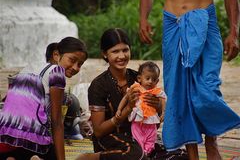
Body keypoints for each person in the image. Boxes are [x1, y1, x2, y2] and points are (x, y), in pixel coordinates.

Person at [139, 0, 240, 160]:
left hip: (205, 23)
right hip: (173, 24)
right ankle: (192, 154)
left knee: (208, 88)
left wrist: (234, 31)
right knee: (179, 92)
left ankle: (212, 142)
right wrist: (143, 19)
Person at [76, 28, 162, 160]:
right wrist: (127, 109)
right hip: (109, 139)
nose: (122, 56)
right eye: (115, 51)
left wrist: (158, 106)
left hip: (137, 136)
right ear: (105, 54)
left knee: (177, 156)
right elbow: (98, 132)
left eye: (125, 50)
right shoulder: (98, 85)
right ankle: (90, 158)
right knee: (135, 153)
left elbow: (154, 119)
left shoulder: (139, 78)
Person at [0, 36, 88, 160]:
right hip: (28, 142)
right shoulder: (57, 72)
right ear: (57, 55)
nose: (75, 67)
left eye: (80, 64)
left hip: (4, 138)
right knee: (53, 151)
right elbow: (57, 122)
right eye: (72, 60)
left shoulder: (31, 67)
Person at [116, 61, 167, 157]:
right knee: (138, 141)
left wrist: (163, 112)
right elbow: (125, 98)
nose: (150, 81)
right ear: (139, 78)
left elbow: (163, 99)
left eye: (154, 79)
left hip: (151, 123)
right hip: (137, 122)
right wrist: (119, 109)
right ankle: (141, 154)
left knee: (151, 141)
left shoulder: (156, 91)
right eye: (147, 78)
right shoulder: (135, 88)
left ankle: (146, 154)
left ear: (157, 81)